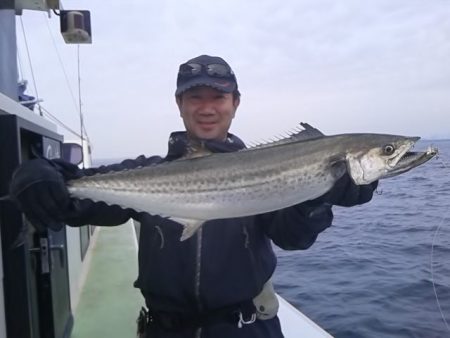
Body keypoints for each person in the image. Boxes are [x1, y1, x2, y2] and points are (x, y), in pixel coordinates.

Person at [9, 55, 378, 338]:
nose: (206, 107)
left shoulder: (268, 168)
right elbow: (77, 197)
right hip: (164, 330)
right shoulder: (149, 170)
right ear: (179, 103)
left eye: (217, 96)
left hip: (246, 329)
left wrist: (318, 198)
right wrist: (39, 171)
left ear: (235, 102)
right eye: (194, 96)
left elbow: (293, 238)